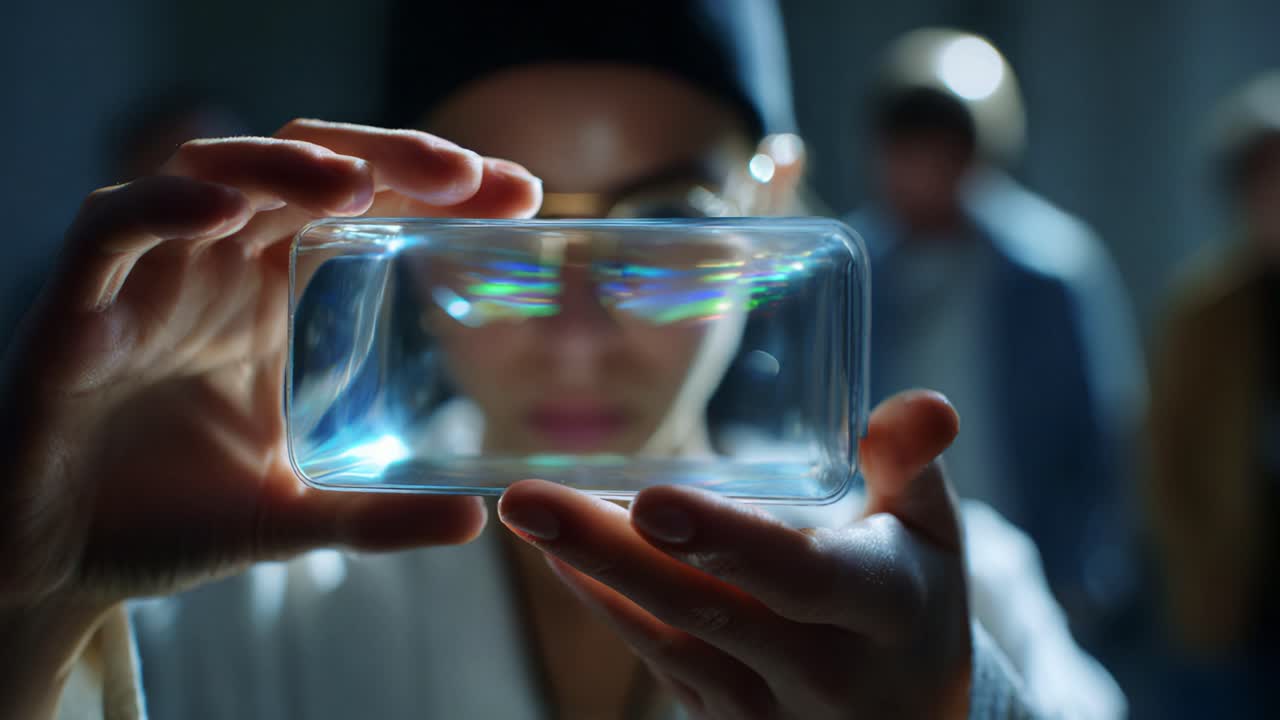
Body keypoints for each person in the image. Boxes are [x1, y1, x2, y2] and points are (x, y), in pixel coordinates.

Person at [1, 3, 1123, 718]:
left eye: (664, 237)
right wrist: (31, 616)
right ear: (394, 226)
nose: (577, 333)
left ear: (768, 203)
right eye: (498, 251)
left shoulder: (943, 597)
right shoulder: (227, 601)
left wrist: (966, 709)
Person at [846, 28, 1146, 639]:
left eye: (945, 150)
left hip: (1027, 571)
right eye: (909, 148)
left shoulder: (1051, 270)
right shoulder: (848, 266)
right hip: (878, 561)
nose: (926, 172)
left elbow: (1103, 436)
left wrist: (1083, 580)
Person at [1146, 70, 1280, 718]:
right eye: (1267, 181)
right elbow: (1165, 457)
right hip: (1234, 606)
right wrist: (1201, 564)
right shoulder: (1205, 314)